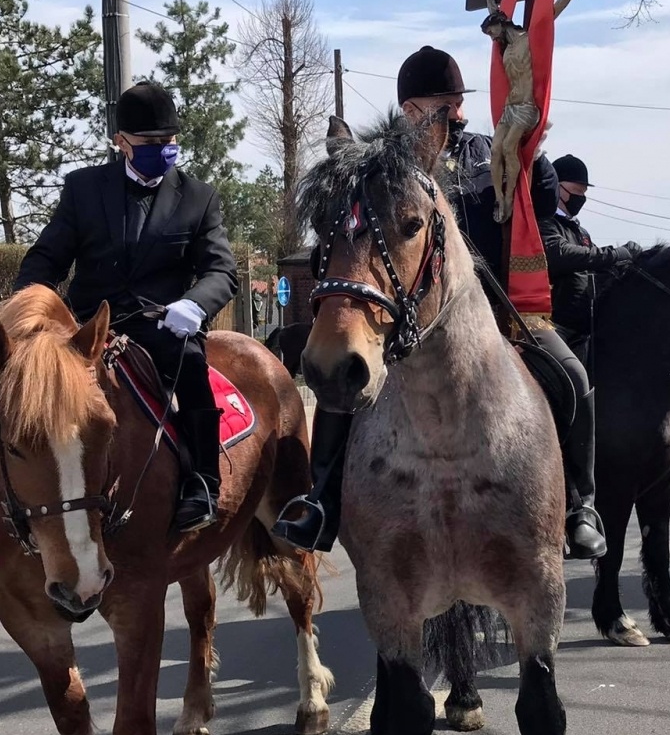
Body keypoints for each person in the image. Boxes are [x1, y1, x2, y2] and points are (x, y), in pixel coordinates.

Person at [272, 46, 609, 559]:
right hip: (412, 318)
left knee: (574, 380)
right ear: (409, 110)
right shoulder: (385, 168)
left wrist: (529, 149)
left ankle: (580, 505)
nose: (458, 112)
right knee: (342, 389)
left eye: (458, 101)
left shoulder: (488, 153)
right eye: (444, 104)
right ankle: (322, 500)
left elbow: (540, 205)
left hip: (500, 311)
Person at [0, 81, 238, 536]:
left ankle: (202, 484)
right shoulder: (84, 189)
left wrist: (194, 304)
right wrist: (27, 310)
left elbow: (220, 270)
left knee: (191, 366)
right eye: (150, 143)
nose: (162, 150)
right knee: (15, 379)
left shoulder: (199, 197)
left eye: (169, 142)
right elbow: (47, 258)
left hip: (162, 323)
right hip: (85, 328)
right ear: (121, 142)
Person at [538, 153, 643, 547]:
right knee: (569, 405)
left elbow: (596, 266)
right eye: (575, 190)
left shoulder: (578, 229)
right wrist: (612, 254)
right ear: (559, 186)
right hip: (551, 330)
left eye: (583, 192)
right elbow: (560, 258)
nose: (580, 197)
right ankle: (579, 506)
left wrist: (626, 265)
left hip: (586, 332)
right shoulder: (546, 223)